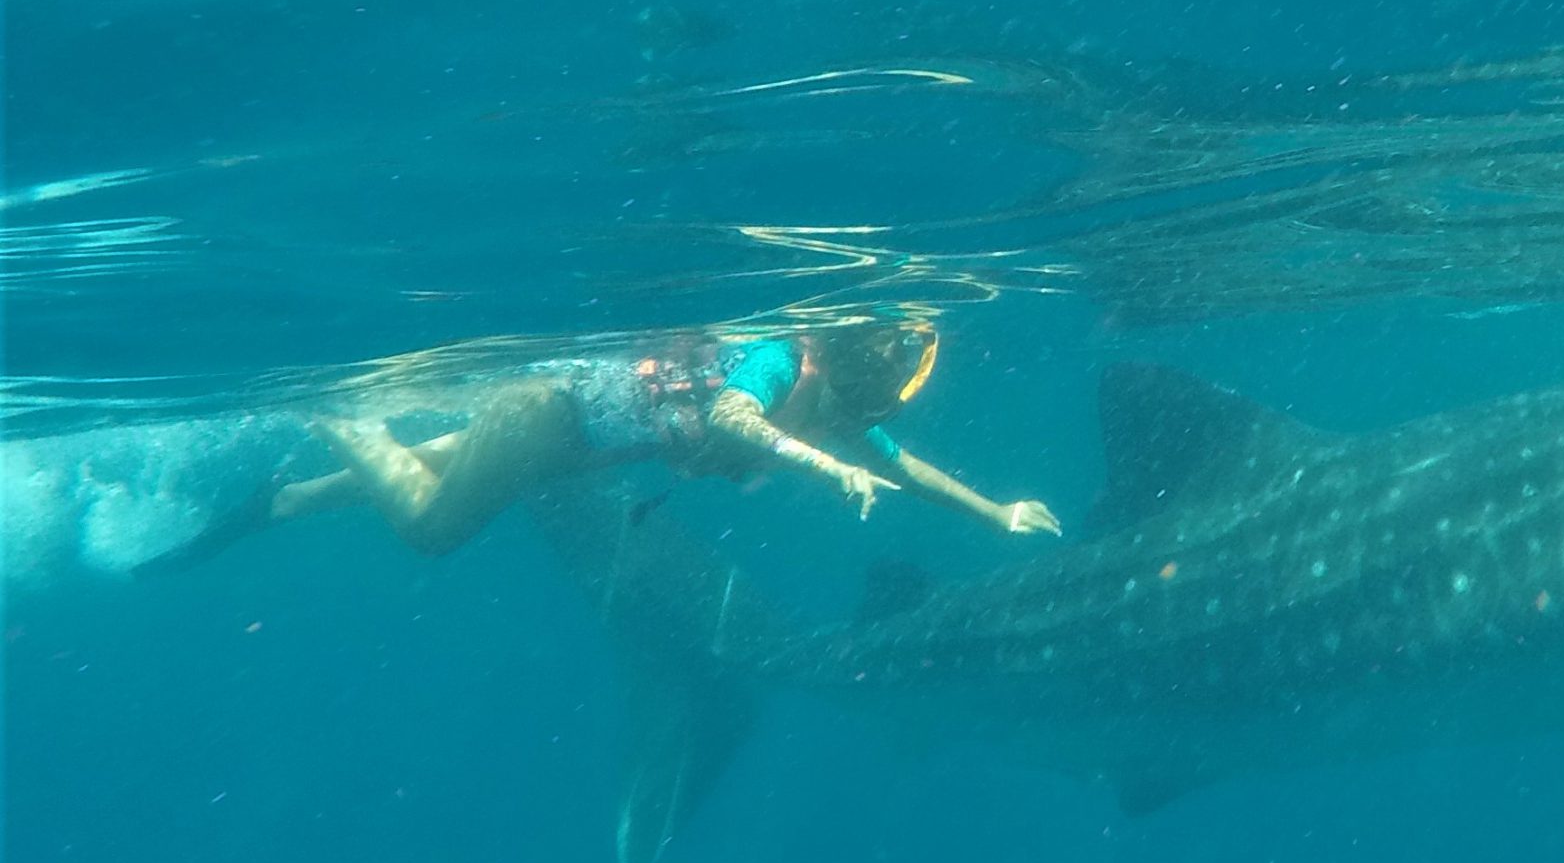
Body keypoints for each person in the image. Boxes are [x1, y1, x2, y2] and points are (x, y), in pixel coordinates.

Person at [275, 322, 1060, 556]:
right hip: (542, 419)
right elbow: (729, 419)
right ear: (849, 357)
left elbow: (905, 467)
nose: (876, 410)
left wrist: (997, 512)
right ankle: (344, 419)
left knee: (408, 477)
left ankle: (295, 496)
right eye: (876, 388)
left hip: (563, 438)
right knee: (432, 529)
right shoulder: (778, 360)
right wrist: (829, 470)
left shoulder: (835, 407)